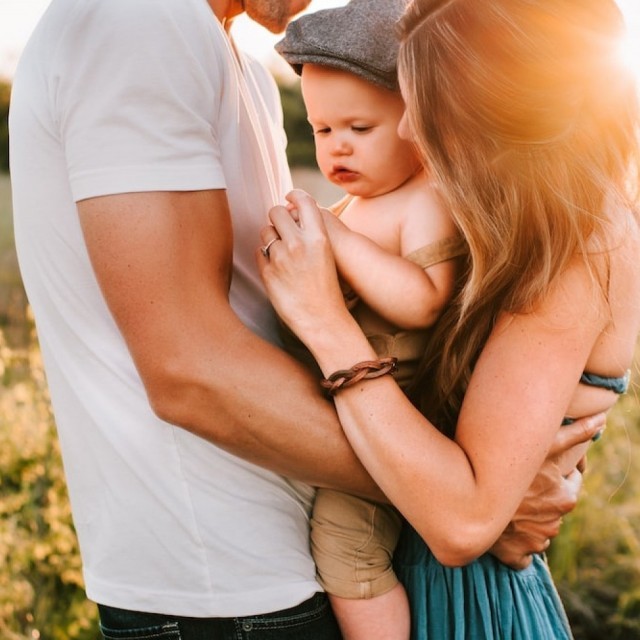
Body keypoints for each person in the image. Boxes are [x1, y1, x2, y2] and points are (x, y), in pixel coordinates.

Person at [9, 0, 603, 637]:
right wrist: (466, 499)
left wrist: (470, 489)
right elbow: (188, 369)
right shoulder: (139, 21)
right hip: (226, 585)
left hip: (284, 557)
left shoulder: (243, 68)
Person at [258, 0, 640, 638]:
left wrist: (328, 326)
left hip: (467, 601)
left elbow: (463, 521)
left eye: (432, 108)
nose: (410, 133)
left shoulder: (579, 243)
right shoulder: (517, 221)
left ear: (503, 110)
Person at [275, 2, 464, 637]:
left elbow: (425, 300)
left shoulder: (425, 198)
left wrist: (336, 240)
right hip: (349, 416)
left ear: (418, 122)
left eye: (359, 126)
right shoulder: (359, 203)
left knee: (347, 550)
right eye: (322, 130)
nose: (338, 146)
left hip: (398, 420)